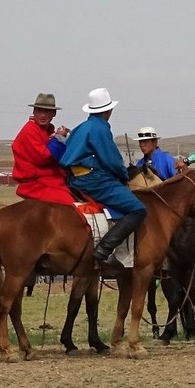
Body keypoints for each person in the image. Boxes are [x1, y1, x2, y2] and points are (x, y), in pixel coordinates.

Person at [59, 88, 148, 264]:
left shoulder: (80, 127)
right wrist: (124, 174)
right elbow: (111, 160)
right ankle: (104, 249)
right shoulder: (100, 128)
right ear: (108, 111)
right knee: (138, 209)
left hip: (74, 178)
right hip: (94, 180)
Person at [10, 93, 75, 206]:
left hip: (48, 180)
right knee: (71, 205)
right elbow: (43, 157)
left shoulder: (46, 131)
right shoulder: (30, 130)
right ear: (34, 112)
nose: (43, 115)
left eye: (47, 111)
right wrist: (58, 139)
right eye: (39, 111)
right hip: (35, 184)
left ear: (54, 114)